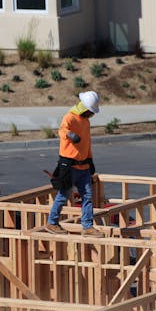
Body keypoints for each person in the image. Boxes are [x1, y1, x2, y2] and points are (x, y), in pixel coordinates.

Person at [46, 91, 104, 238]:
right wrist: (69, 134)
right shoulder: (70, 117)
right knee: (63, 195)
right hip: (69, 166)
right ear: (85, 108)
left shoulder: (86, 122)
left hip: (83, 166)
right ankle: (52, 222)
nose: (92, 114)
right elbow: (62, 130)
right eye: (91, 111)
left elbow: (87, 143)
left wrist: (90, 160)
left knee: (87, 196)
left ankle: (88, 226)